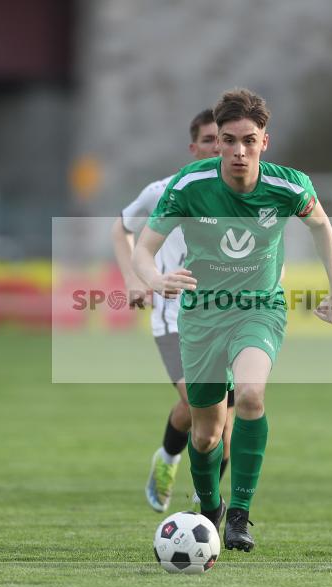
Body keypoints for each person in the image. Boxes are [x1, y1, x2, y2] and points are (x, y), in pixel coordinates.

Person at [132, 88, 332, 551]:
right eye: (228, 140)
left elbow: (321, 225)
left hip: (258, 310)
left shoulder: (289, 186)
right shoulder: (190, 185)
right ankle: (210, 509)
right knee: (206, 436)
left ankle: (241, 516)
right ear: (218, 142)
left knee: (250, 396)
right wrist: (155, 279)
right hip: (202, 317)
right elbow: (143, 247)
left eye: (249, 140)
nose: (238, 151)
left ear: (265, 142)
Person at [110, 109, 235, 513]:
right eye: (210, 139)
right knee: (202, 403)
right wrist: (133, 279)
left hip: (227, 317)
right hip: (173, 316)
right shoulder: (164, 189)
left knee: (224, 427)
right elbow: (122, 227)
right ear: (193, 146)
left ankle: (204, 510)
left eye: (225, 139)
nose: (219, 147)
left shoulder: (241, 190)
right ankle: (168, 460)